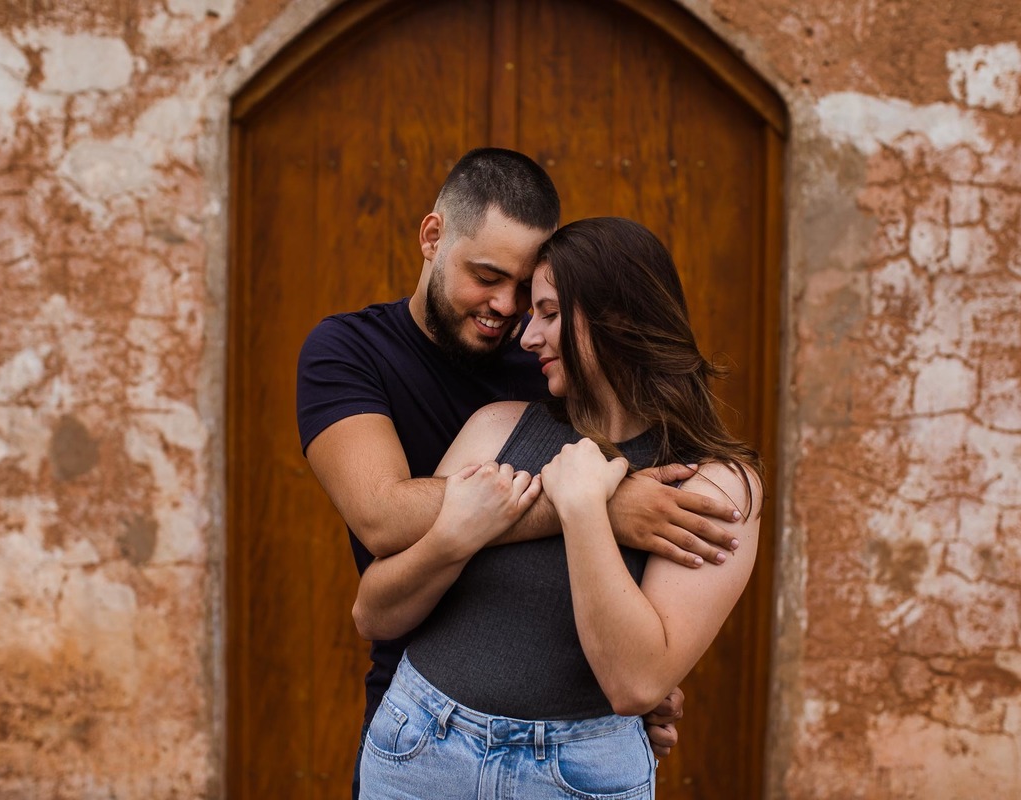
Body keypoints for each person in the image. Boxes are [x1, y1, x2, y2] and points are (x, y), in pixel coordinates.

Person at [296, 149, 742, 797]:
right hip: (417, 706)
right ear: (432, 237)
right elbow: (382, 516)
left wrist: (630, 695)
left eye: (530, 296)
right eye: (486, 276)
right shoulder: (348, 352)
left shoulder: (548, 373)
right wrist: (588, 505)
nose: (508, 311)